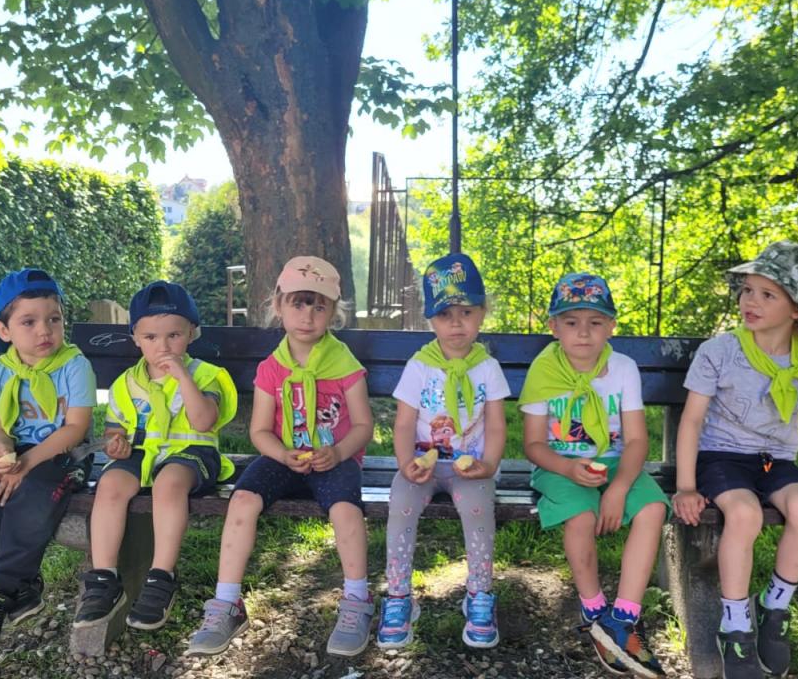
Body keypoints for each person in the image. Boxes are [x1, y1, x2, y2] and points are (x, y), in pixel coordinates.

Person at [187, 257, 375, 657]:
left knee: (345, 509)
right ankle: (226, 604)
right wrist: (283, 454)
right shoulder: (273, 368)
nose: (307, 316)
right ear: (278, 305)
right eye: (298, 303)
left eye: (319, 306)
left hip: (334, 459)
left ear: (333, 312)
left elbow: (363, 426)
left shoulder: (344, 365)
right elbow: (259, 432)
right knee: (242, 499)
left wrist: (338, 452)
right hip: (283, 457)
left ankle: (357, 600)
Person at [672, 241, 798, 679]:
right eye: (748, 290)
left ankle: (774, 608)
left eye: (768, 295)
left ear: (796, 311)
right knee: (744, 514)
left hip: (774, 461)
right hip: (720, 458)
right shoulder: (721, 351)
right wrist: (686, 486)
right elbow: (691, 420)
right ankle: (735, 627)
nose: (751, 301)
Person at [521, 273, 668, 677]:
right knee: (581, 516)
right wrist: (568, 467)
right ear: (554, 327)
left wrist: (619, 488)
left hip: (617, 462)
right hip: (559, 465)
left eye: (595, 322)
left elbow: (636, 440)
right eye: (571, 322)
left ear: (611, 326)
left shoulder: (622, 368)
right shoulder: (543, 370)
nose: (583, 332)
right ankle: (593, 608)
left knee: (653, 508)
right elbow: (533, 444)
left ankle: (622, 619)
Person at [72, 280, 237, 632]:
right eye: (150, 337)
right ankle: (104, 579)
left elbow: (204, 421)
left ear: (192, 333)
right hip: (142, 456)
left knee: (168, 483)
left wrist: (182, 377)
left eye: (173, 335)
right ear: (135, 337)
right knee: (110, 483)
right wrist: (116, 444)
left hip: (193, 454)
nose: (163, 347)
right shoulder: (126, 383)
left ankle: (161, 577)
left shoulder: (206, 375)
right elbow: (114, 431)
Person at [0, 268, 96, 649]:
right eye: (28, 322)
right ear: (4, 331)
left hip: (65, 455)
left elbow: (76, 428)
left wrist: (28, 464)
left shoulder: (74, 365)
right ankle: (23, 586)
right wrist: (1, 452)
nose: (44, 331)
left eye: (54, 319)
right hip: (19, 453)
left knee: (33, 496)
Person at [376, 253, 510, 650]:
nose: (456, 323)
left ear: (482, 314)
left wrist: (489, 465)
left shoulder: (487, 368)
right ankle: (398, 596)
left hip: (471, 469)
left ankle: (480, 594)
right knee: (400, 504)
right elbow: (404, 423)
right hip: (422, 466)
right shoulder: (420, 366)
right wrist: (405, 463)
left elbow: (497, 425)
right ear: (431, 320)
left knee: (477, 509)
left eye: (466, 312)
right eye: (445, 314)